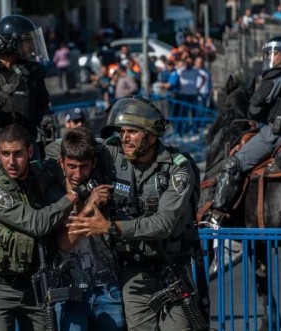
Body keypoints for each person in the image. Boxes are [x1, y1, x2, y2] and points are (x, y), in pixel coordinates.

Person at [66, 96, 206, 330]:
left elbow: (163, 224)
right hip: (134, 271)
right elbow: (68, 148)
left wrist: (111, 227)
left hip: (172, 267)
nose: (125, 138)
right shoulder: (112, 153)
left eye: (132, 132)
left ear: (151, 136)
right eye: (122, 131)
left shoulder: (178, 168)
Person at [204, 36, 281, 224]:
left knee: (232, 164)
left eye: (276, 53)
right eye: (269, 53)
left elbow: (254, 109)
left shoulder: (275, 77)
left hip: (276, 135)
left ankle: (217, 213)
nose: (271, 56)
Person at [0, 123, 80, 330]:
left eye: (18, 154)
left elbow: (68, 157)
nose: (11, 162)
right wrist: (73, 196)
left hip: (34, 287)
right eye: (5, 154)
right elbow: (36, 223)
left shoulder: (39, 175)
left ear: (30, 151)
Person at [51, 127, 126, 331]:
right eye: (71, 166)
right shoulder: (54, 195)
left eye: (83, 166)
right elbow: (63, 243)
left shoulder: (104, 188)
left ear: (93, 162)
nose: (77, 173)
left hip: (107, 289)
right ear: (61, 163)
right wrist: (89, 206)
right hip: (69, 292)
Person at [0, 14, 53, 156]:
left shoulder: (33, 73)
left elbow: (42, 105)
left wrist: (45, 118)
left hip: (25, 147)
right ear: (11, 42)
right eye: (27, 41)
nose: (31, 46)